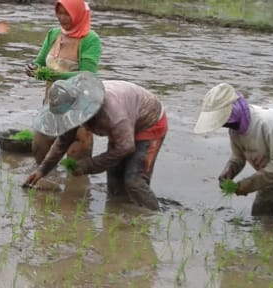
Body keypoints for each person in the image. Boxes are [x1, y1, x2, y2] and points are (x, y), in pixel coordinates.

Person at [22, 73, 167, 210]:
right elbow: (63, 142)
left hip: (149, 122)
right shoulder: (74, 111)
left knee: (134, 181)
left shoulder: (112, 114)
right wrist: (42, 170)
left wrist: (88, 166)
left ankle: (153, 217)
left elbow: (125, 147)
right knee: (115, 183)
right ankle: (120, 218)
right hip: (125, 123)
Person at [193, 82, 273, 226]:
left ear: (232, 112)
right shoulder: (235, 130)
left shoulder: (265, 123)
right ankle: (270, 245)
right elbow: (238, 157)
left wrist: (248, 184)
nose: (222, 125)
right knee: (260, 215)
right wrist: (229, 172)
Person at [26, 0, 102, 162]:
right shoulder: (53, 34)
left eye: (66, 13)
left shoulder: (90, 40)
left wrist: (57, 76)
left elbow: (88, 76)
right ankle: (43, 186)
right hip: (52, 105)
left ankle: (75, 188)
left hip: (80, 110)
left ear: (77, 13)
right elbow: (39, 62)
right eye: (59, 13)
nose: (62, 17)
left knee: (76, 167)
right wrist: (33, 68)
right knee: (40, 149)